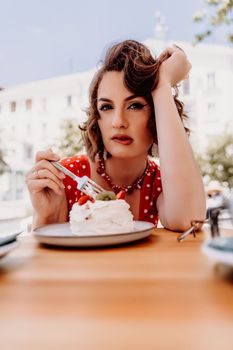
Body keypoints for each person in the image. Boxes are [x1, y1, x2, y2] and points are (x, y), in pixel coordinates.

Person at [26, 40, 206, 231]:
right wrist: (47, 216)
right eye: (106, 107)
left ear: (156, 115)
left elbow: (189, 221)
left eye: (135, 105)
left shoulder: (160, 183)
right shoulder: (65, 177)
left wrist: (162, 85)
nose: (118, 121)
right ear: (98, 120)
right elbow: (43, 253)